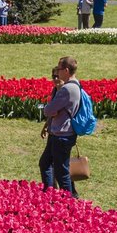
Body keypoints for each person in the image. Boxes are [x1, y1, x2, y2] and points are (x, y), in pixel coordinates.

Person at [40, 55, 80, 198]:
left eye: (59, 68)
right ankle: (50, 194)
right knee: (46, 163)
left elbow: (49, 110)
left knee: (61, 172)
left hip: (62, 135)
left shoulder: (67, 89)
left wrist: (48, 109)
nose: (57, 71)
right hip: (59, 133)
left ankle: (67, 202)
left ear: (66, 70)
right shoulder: (75, 84)